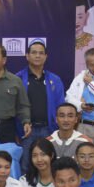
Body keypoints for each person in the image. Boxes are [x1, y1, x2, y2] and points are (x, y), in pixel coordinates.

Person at [16, 40, 66, 172]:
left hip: (49, 130)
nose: (37, 56)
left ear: (45, 56)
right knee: (25, 167)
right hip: (26, 132)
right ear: (27, 56)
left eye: (41, 53)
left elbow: (61, 107)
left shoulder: (55, 80)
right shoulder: (18, 79)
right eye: (34, 53)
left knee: (50, 166)